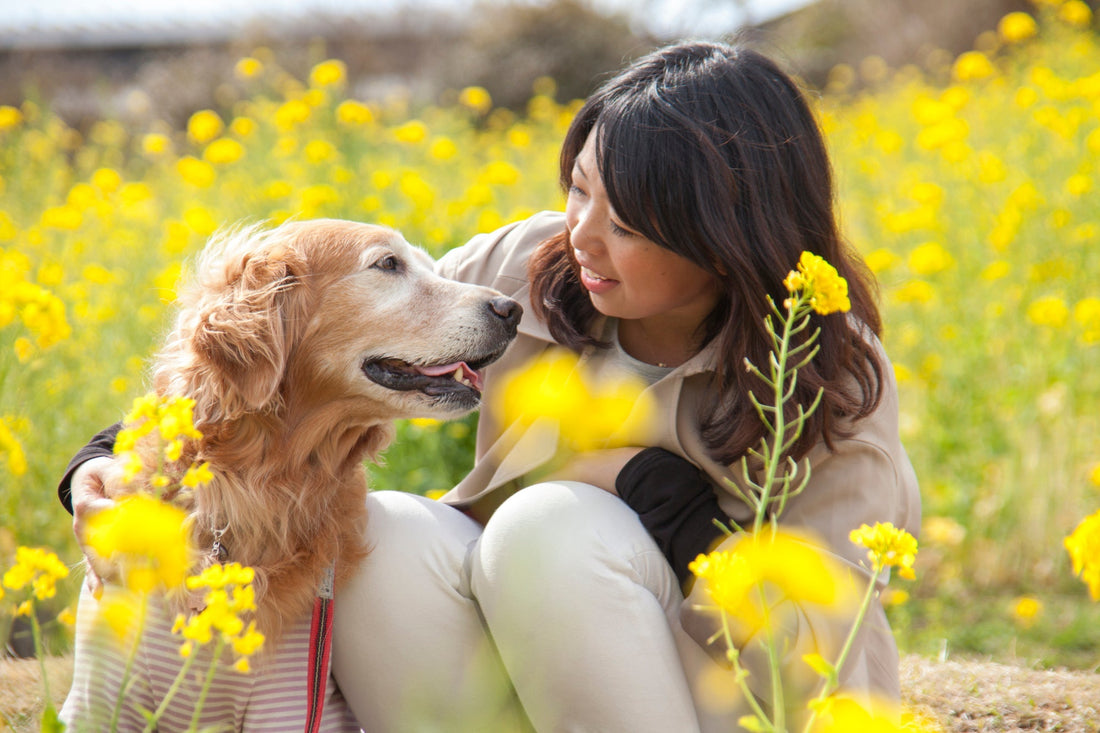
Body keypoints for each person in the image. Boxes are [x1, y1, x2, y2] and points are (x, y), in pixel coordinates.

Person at [59, 41, 920, 731]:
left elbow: (815, 641)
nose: (583, 235)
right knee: (384, 531)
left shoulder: (831, 374)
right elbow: (298, 344)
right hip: (541, 662)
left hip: (741, 697)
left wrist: (642, 492)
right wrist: (110, 460)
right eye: (579, 189)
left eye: (623, 222)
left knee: (552, 525)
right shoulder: (533, 268)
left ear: (720, 234)